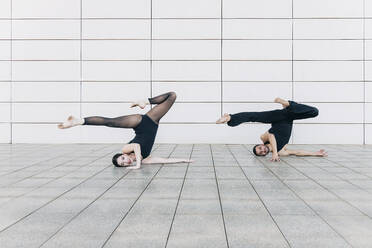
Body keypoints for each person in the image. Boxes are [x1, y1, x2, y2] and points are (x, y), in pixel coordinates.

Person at [58, 92, 192, 169]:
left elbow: (137, 145)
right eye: (123, 163)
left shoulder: (126, 149)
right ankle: (145, 101)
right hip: (152, 122)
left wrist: (138, 164)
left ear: (122, 155)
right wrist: (183, 160)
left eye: (122, 159)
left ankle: (78, 121)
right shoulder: (145, 159)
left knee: (110, 122)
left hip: (139, 123)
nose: (125, 160)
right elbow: (163, 160)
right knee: (172, 96)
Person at [216, 98, 327, 162]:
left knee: (254, 116)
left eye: (259, 148)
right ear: (264, 155)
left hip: (276, 116)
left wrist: (275, 154)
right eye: (261, 153)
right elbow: (297, 152)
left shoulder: (263, 138)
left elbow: (272, 136)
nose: (262, 150)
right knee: (314, 112)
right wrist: (315, 153)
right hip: (289, 116)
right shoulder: (280, 151)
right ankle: (288, 105)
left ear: (260, 144)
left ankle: (229, 117)